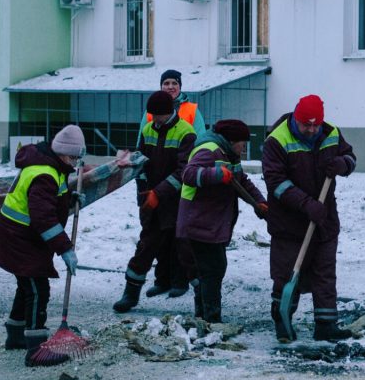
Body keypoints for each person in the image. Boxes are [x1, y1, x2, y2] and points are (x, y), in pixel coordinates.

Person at [262, 95, 357, 343]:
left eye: (316, 125)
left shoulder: (331, 134)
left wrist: (342, 164)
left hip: (325, 220)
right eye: (307, 125)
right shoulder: (277, 140)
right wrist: (306, 205)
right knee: (286, 275)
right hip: (289, 224)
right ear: (296, 118)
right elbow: (276, 183)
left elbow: (350, 158)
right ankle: (282, 322)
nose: (312, 130)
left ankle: (326, 325)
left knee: (325, 273)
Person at [0, 125, 85, 367]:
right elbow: (43, 217)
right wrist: (65, 248)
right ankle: (36, 349)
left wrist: (68, 200)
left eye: (77, 158)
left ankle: (15, 337)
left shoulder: (51, 165)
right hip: (20, 238)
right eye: (72, 157)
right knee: (37, 290)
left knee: (26, 287)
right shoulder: (45, 172)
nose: (74, 163)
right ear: (61, 152)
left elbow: (48, 200)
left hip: (20, 236)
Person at [113, 91, 197, 312]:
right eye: (153, 115)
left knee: (182, 246)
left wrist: (158, 192)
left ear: (169, 112)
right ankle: (131, 293)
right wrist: (143, 193)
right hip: (151, 200)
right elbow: (141, 162)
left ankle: (199, 292)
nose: (155, 120)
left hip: (177, 201)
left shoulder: (186, 133)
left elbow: (183, 172)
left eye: (158, 115)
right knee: (148, 245)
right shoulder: (148, 129)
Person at [176, 119, 266, 323]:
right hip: (197, 220)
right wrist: (216, 174)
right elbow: (188, 174)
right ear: (232, 140)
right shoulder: (209, 150)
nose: (244, 149)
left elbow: (240, 180)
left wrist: (259, 202)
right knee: (214, 268)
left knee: (210, 269)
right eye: (243, 144)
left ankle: (203, 315)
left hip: (210, 221)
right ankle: (211, 319)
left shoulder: (229, 155)